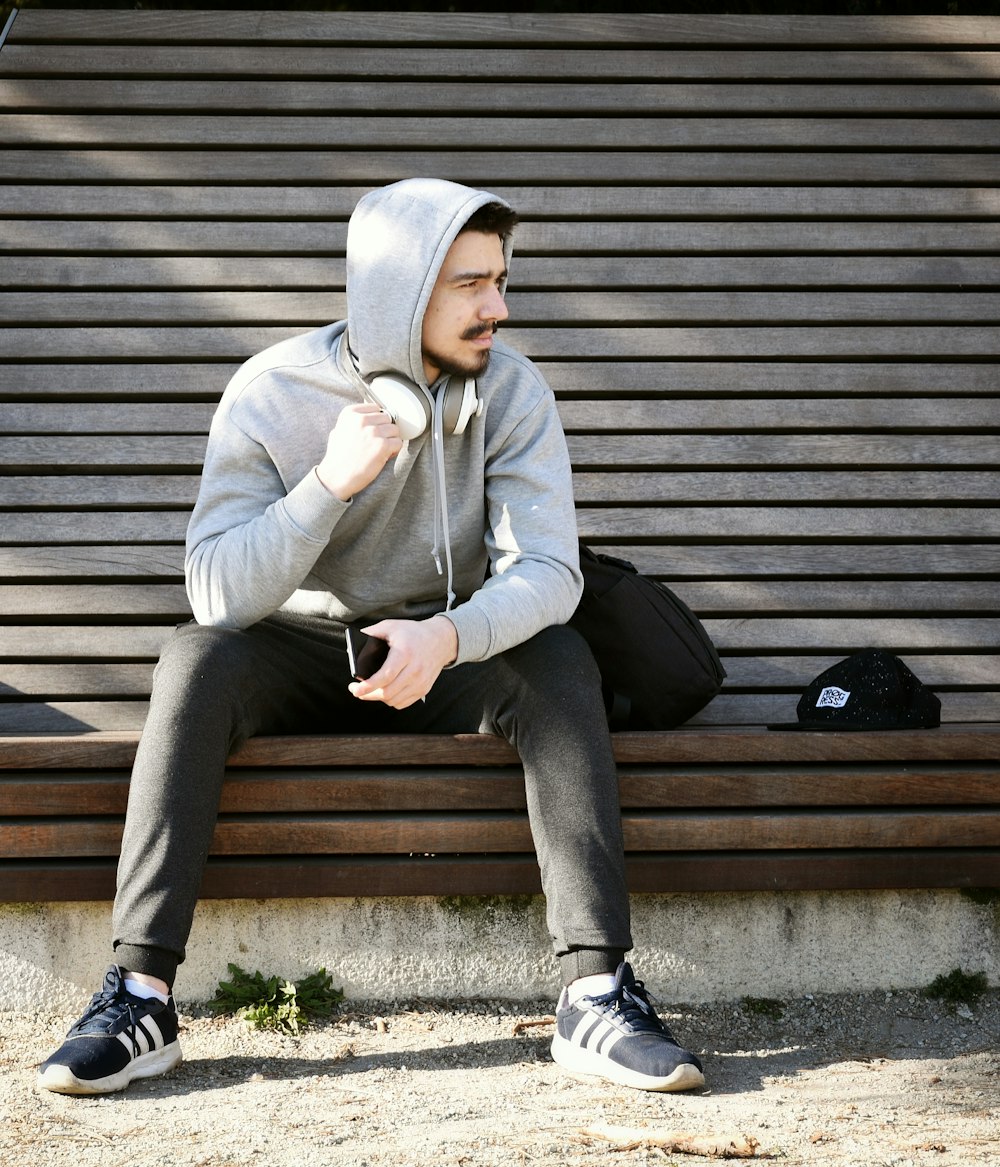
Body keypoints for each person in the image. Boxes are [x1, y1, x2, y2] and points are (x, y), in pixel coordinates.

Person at [37, 178, 704, 1097]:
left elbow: (550, 572)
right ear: (400, 291)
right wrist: (329, 485)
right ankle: (142, 996)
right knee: (192, 661)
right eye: (469, 284)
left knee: (558, 658)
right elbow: (215, 591)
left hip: (450, 652)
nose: (497, 307)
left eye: (501, 280)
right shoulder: (273, 390)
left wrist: (447, 636)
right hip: (297, 650)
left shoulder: (511, 391)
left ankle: (595, 993)